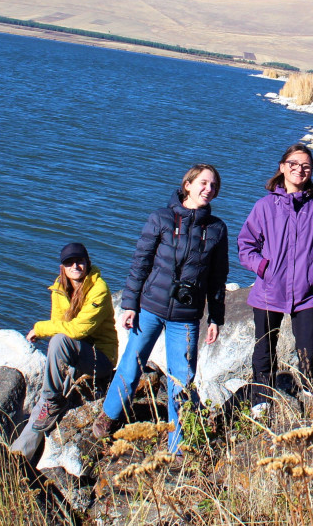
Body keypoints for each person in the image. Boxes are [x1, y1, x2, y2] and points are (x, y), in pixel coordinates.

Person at [92, 164, 228, 453]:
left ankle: (178, 447)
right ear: (187, 185)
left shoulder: (216, 229)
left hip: (186, 316)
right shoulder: (162, 218)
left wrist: (216, 317)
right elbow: (140, 263)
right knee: (131, 364)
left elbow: (218, 277)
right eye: (203, 183)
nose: (209, 189)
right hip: (150, 307)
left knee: (182, 379)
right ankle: (109, 415)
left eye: (214, 185)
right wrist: (130, 304)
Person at [238, 144, 313, 418]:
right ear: (282, 167)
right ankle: (261, 394)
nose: (299, 170)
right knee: (264, 346)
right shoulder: (264, 206)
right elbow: (246, 245)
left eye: (306, 166)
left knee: (310, 345)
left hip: (307, 291)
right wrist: (264, 268)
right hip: (269, 289)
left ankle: (312, 383)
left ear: (311, 172)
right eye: (293, 164)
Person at [9, 242, 118, 463]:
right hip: (73, 356)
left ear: (87, 263)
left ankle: (52, 400)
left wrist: (40, 329)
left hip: (99, 360)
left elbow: (77, 330)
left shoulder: (99, 289)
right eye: (69, 263)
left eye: (80, 261)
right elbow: (59, 324)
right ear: (63, 267)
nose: (75, 266)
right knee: (43, 408)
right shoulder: (59, 288)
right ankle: (18, 458)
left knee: (57, 348)